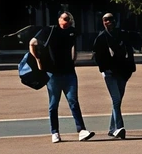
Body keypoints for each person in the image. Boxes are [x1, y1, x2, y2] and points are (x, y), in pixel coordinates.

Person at [28, 11, 93, 142]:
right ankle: (55, 132)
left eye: (69, 19)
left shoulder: (72, 32)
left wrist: (74, 58)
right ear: (59, 20)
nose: (67, 22)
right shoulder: (49, 30)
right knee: (53, 104)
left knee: (73, 101)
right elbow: (32, 43)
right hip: (53, 73)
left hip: (69, 73)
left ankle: (81, 130)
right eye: (64, 19)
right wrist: (38, 60)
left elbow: (73, 45)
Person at [91, 12, 137, 139]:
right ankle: (119, 128)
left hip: (123, 73)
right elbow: (96, 56)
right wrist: (104, 69)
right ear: (103, 22)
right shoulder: (101, 38)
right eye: (106, 20)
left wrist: (130, 69)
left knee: (117, 102)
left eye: (110, 19)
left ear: (115, 21)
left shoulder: (122, 34)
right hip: (110, 74)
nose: (108, 22)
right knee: (116, 99)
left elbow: (129, 51)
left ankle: (112, 129)